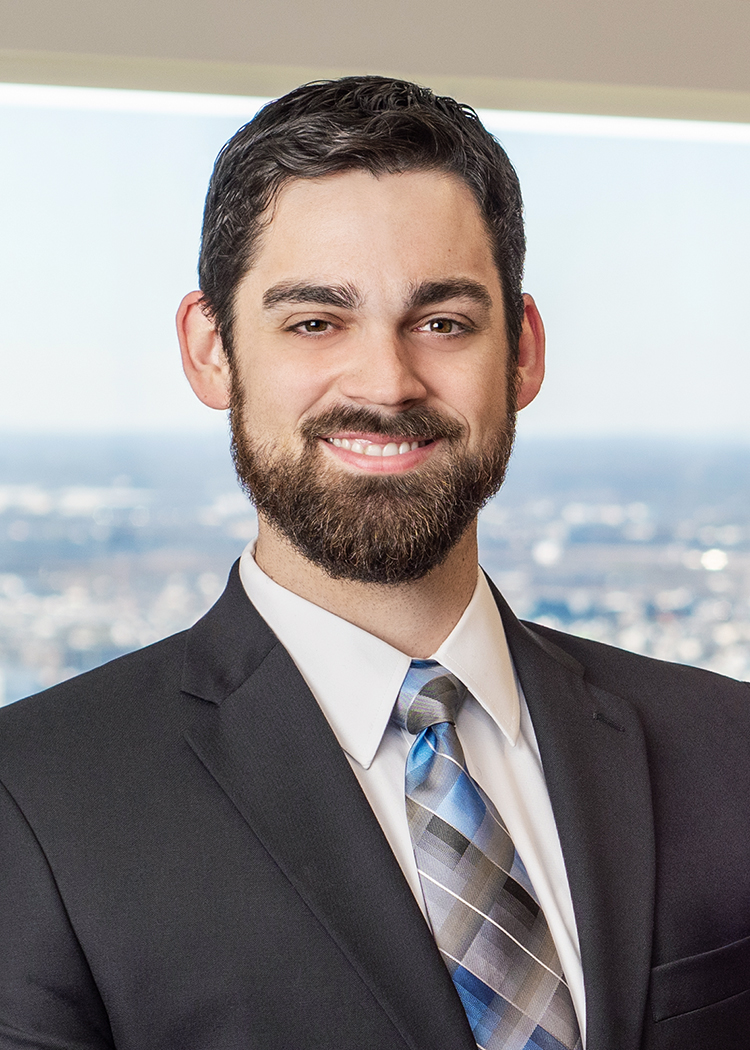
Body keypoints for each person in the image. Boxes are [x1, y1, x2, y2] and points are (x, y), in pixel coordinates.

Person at [0, 76, 748, 1050]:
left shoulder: (726, 751)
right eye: (316, 321)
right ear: (212, 349)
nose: (387, 382)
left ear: (521, 353)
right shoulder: (34, 805)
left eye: (442, 322)